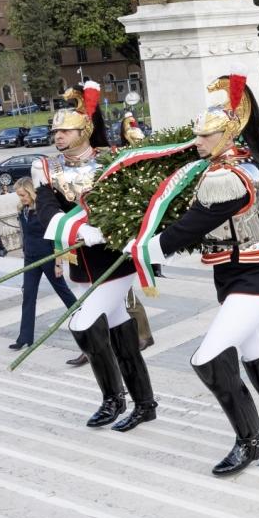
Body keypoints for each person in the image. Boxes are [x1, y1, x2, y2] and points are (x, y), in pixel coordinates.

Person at [137, 75, 259, 475]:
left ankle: (249, 441)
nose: (197, 142)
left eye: (205, 136)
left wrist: (147, 247)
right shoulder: (238, 162)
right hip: (243, 273)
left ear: (227, 134)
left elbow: (194, 224)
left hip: (255, 277)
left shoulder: (227, 175)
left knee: (207, 357)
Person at [33, 81, 155, 430]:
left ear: (84, 129)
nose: (58, 135)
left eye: (65, 130)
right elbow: (45, 208)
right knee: (120, 332)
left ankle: (113, 399)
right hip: (84, 260)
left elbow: (136, 201)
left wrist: (111, 229)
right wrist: (75, 231)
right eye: (55, 130)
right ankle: (144, 403)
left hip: (116, 260)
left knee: (82, 323)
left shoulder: (111, 159)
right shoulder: (48, 168)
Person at [10, 177, 78, 350]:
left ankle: (84, 319)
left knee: (63, 292)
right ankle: (25, 337)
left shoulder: (43, 211)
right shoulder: (23, 210)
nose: (22, 198)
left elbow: (56, 237)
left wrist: (58, 263)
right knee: (28, 295)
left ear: (31, 192)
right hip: (30, 258)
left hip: (47, 257)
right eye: (19, 196)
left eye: (23, 195)